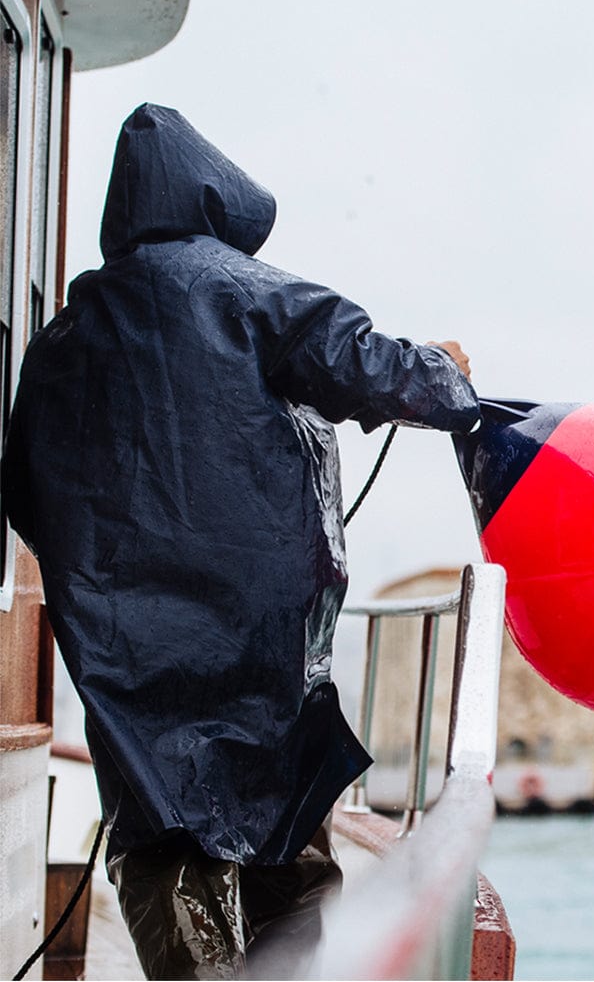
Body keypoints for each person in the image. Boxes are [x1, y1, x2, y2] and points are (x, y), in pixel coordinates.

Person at [1, 103, 479, 979]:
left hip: (124, 651)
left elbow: (25, 489)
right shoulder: (246, 291)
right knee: (285, 816)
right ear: (215, 198)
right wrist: (446, 373)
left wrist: (102, 587)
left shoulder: (63, 335)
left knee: (157, 828)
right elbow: (369, 362)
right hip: (262, 637)